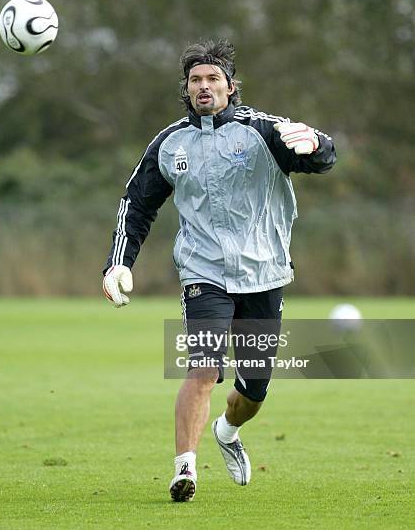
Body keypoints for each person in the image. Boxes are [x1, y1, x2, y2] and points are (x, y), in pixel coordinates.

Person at [103, 40, 336, 502]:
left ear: (231, 87)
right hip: (202, 272)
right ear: (186, 90)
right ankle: (185, 469)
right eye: (195, 80)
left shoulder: (264, 131)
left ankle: (227, 430)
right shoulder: (170, 143)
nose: (204, 87)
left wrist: (315, 145)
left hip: (264, 272)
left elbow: (320, 155)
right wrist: (118, 263)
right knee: (202, 369)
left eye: (213, 79)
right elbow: (136, 205)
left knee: (253, 392)